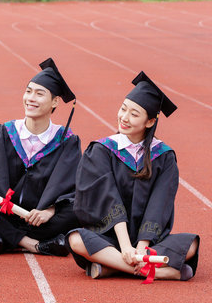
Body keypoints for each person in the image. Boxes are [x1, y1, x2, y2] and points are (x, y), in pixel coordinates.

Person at [67, 72, 199, 281]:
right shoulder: (102, 149)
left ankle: (112, 267)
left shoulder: (164, 156)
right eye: (123, 109)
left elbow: (160, 203)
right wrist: (126, 246)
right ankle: (157, 271)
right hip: (110, 236)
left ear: (150, 122)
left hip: (148, 242)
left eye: (134, 114)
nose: (124, 117)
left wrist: (142, 246)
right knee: (76, 239)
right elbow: (108, 197)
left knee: (190, 245)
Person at [0, 58, 81, 256]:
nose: (31, 98)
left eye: (39, 94)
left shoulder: (66, 141)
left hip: (39, 219)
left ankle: (4, 238)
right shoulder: (6, 132)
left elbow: (73, 186)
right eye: (28, 91)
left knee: (78, 211)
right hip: (5, 213)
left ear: (55, 102)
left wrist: (49, 211)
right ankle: (31, 244)